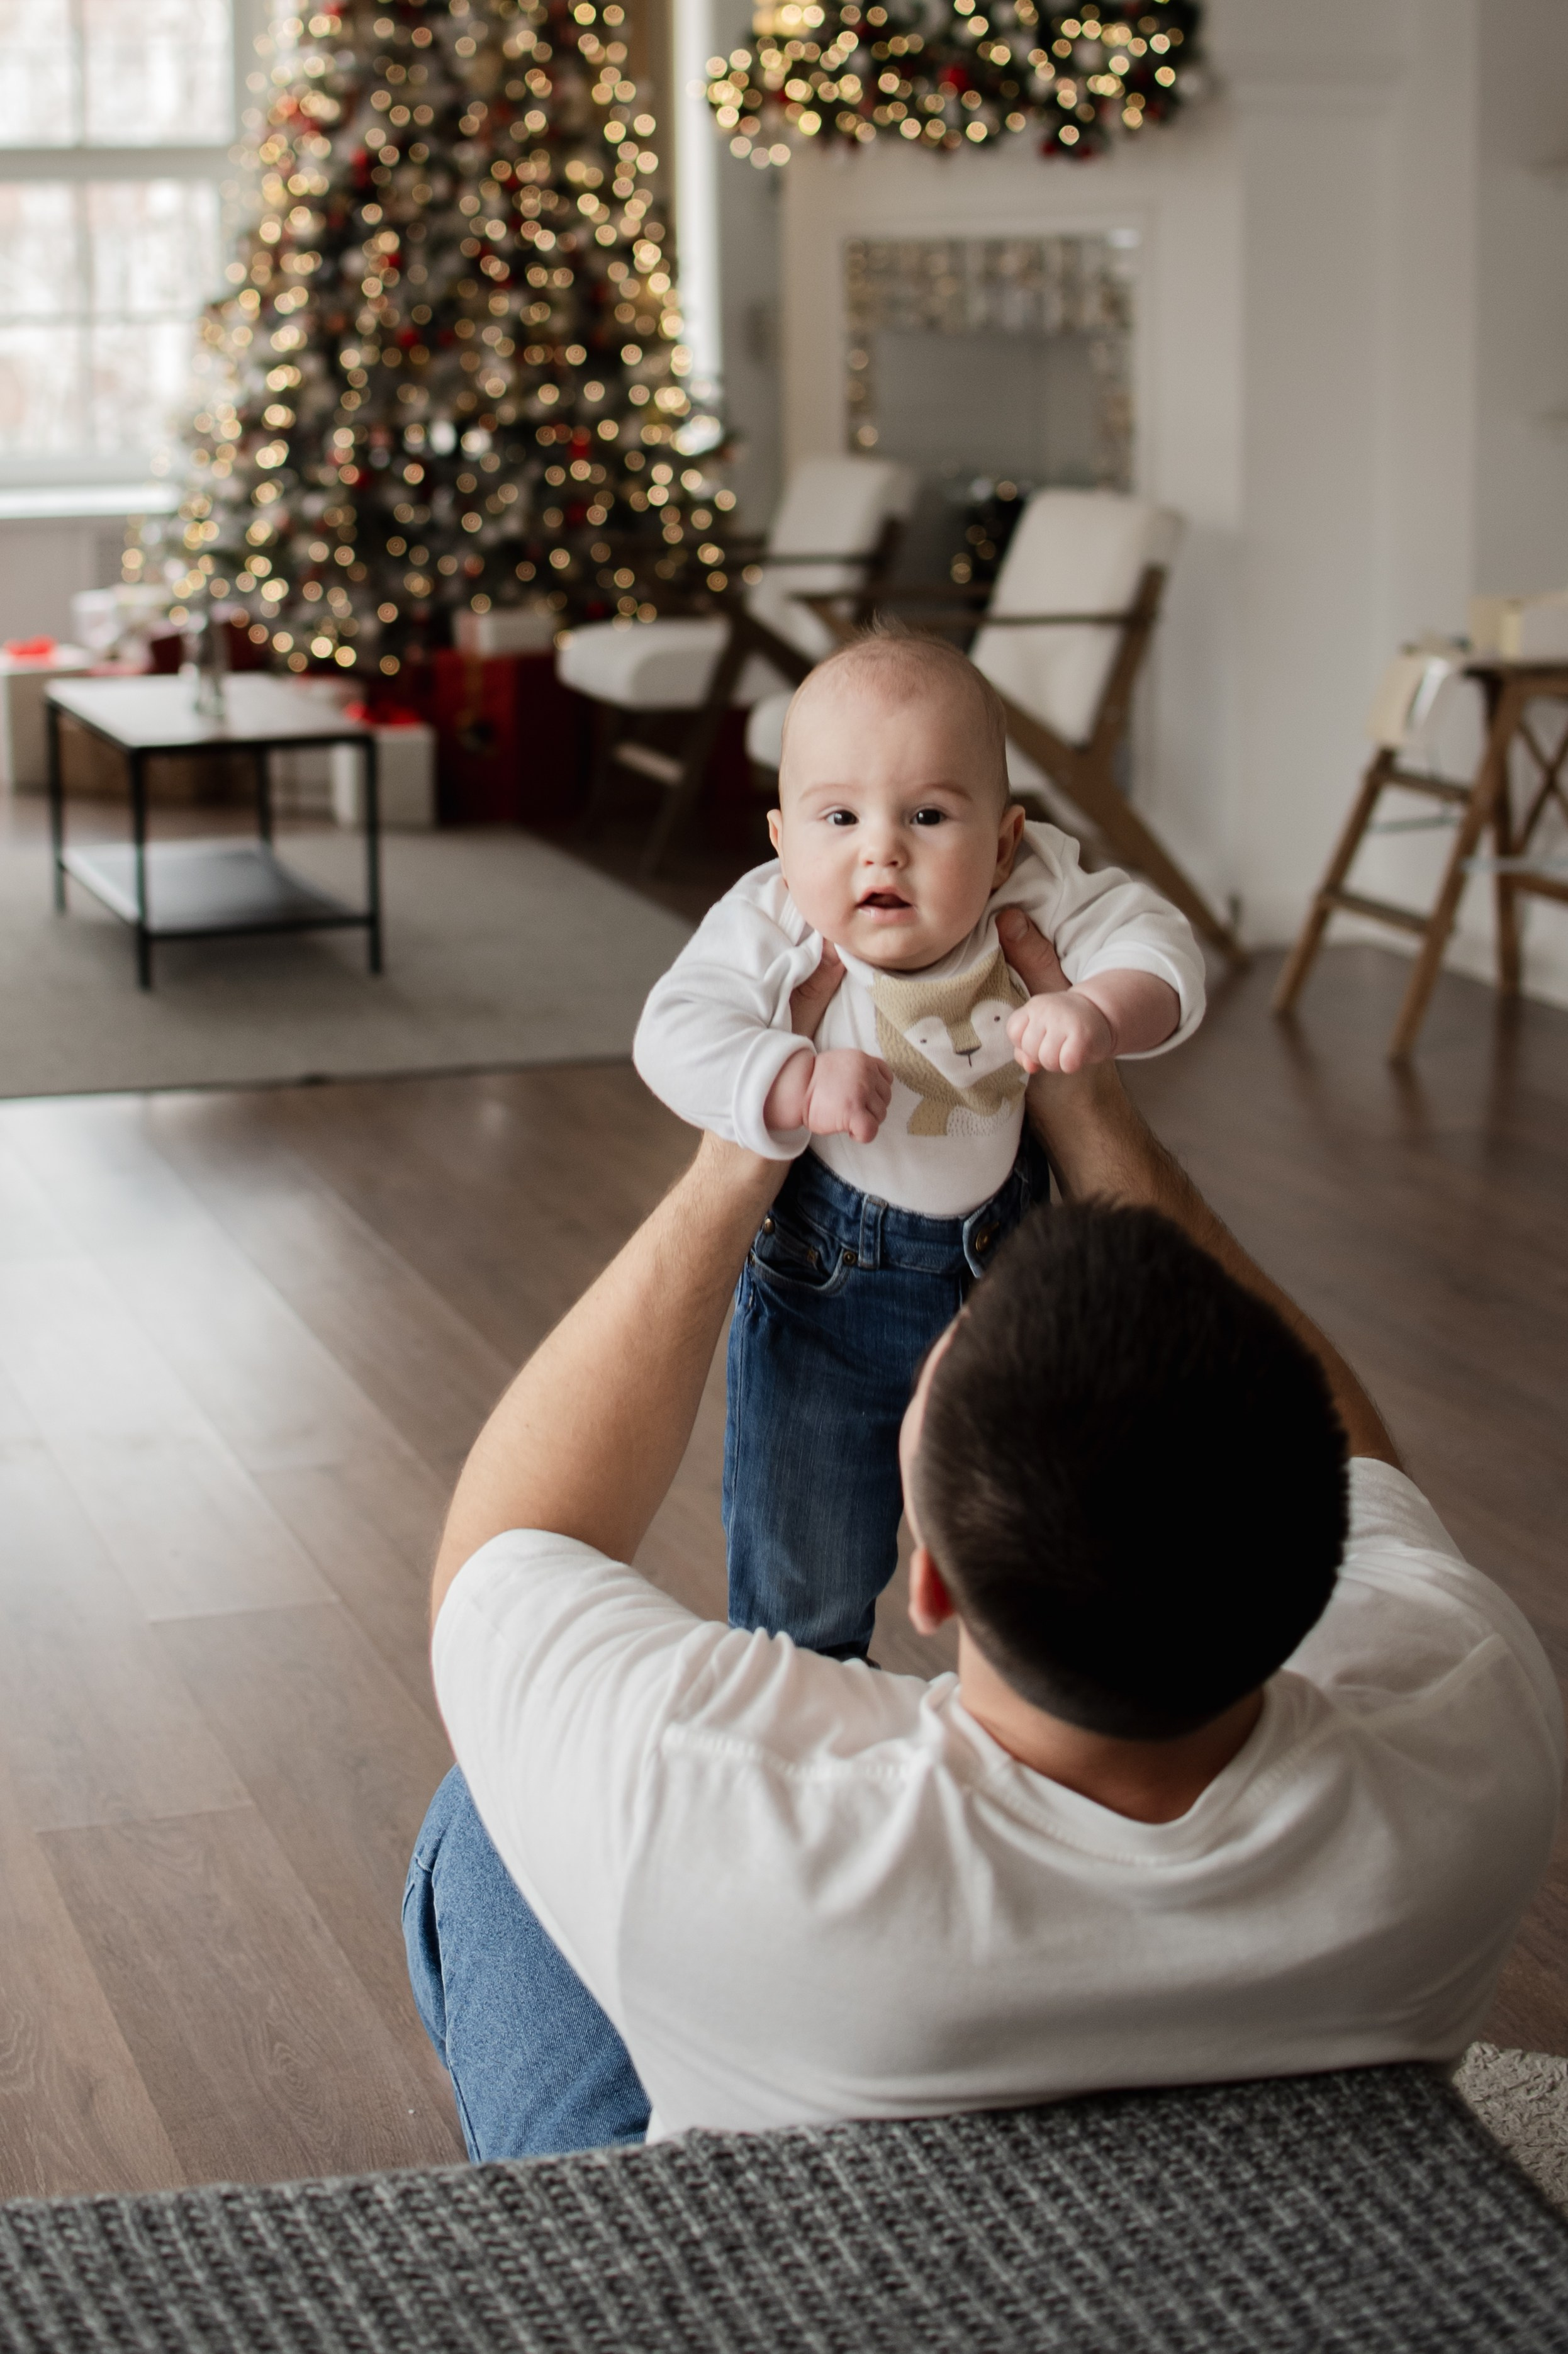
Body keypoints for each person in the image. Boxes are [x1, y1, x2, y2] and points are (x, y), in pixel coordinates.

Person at [404, 920, 1563, 2161]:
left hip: (798, 2287)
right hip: (1253, 2264)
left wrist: (733, 1162)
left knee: (485, 1818)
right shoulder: (1472, 1708)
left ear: (931, 1579)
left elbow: (507, 1552)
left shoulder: (710, 1796)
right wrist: (1099, 1124)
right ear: (1319, 1556)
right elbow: (1364, 1466)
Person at [632, 628, 1206, 1657]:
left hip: (1015, 1283)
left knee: (1046, 1553)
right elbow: (672, 1033)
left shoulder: (1029, 886)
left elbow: (1156, 938)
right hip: (826, 1301)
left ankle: (1032, 1719)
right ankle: (813, 1717)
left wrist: (1105, 1009)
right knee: (804, 1577)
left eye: (928, 815)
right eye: (839, 817)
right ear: (781, 837)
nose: (880, 849)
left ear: (1001, 838)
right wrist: (789, 1075)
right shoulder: (778, 922)